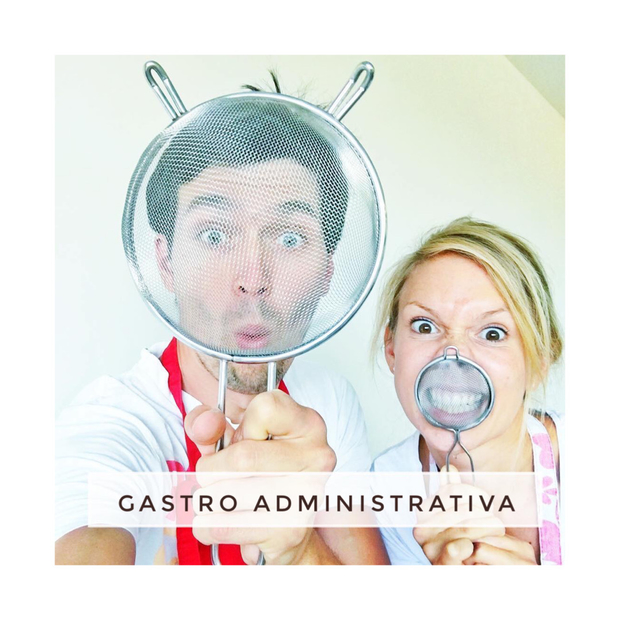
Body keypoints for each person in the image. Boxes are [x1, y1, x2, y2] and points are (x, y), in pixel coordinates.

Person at [56, 81, 389, 565]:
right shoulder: (114, 425)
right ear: (166, 262)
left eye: (290, 239)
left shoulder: (330, 402)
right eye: (214, 235)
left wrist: (301, 553)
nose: (253, 280)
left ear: (327, 273)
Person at [371, 217, 563, 565]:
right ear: (392, 349)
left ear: (538, 363)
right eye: (425, 326)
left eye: (492, 333)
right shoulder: (382, 492)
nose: (452, 356)